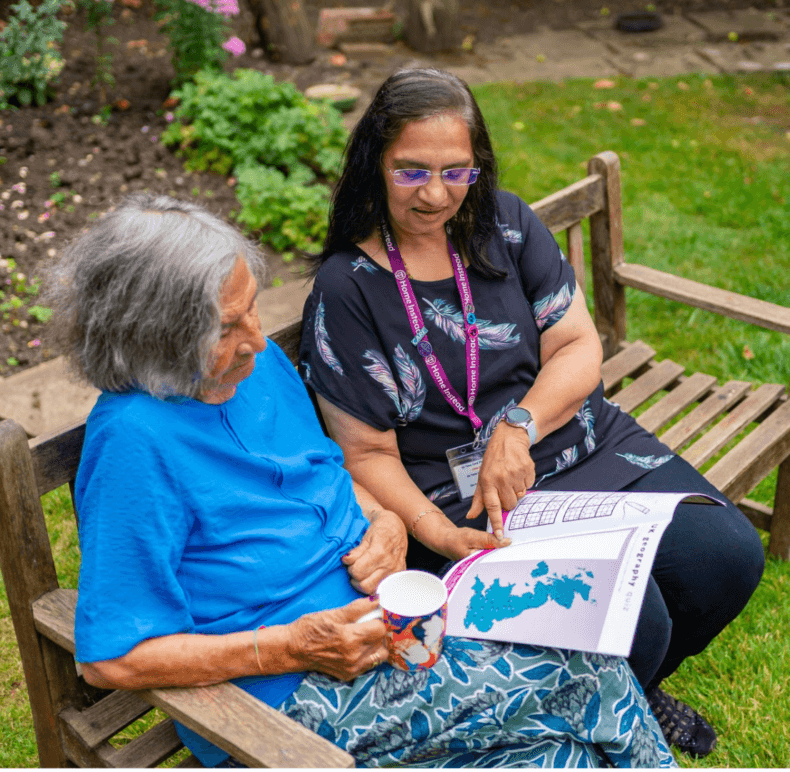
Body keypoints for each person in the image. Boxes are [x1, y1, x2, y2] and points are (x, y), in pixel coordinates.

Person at [46, 192, 675, 768]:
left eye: (252, 309)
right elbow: (112, 657)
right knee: (582, 667)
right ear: (157, 336)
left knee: (558, 756)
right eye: (226, 327)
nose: (257, 339)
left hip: (388, 633)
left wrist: (383, 518)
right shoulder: (133, 442)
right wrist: (291, 647)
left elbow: (327, 471)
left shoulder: (256, 369)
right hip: (287, 701)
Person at [298, 67, 765, 759]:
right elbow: (365, 453)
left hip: (572, 445)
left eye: (455, 172)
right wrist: (438, 533)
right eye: (411, 171)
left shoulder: (506, 226)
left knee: (727, 557)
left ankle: (633, 690)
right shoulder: (348, 289)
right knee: (636, 617)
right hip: (457, 501)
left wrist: (518, 426)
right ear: (376, 164)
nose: (435, 194)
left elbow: (577, 346)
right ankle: (607, 704)